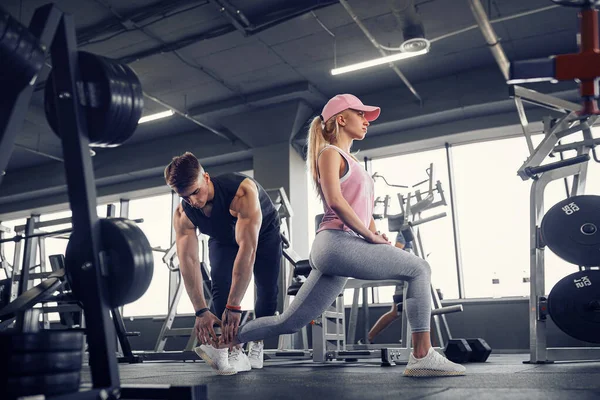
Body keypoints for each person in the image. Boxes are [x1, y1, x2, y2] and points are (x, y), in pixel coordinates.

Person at [203, 93, 466, 377]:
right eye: (360, 114)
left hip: (341, 247)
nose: (366, 121)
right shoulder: (329, 153)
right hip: (335, 243)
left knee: (288, 322)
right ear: (341, 119)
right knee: (419, 268)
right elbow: (336, 201)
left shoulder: (353, 162)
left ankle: (222, 342)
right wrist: (369, 234)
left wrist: (376, 234)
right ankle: (422, 355)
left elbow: (362, 211)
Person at [164, 154, 282, 375]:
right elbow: (188, 261)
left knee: (266, 289)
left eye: (196, 192)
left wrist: (235, 306)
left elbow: (248, 249)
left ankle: (257, 344)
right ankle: (233, 348)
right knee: (220, 286)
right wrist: (200, 311)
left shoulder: (241, 192)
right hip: (222, 238)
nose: (194, 202)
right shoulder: (183, 213)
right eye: (185, 196)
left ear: (206, 178)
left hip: (264, 234)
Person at [359, 231, 412, 345]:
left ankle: (368, 338)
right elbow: (397, 251)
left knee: (396, 312)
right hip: (406, 276)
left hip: (411, 275)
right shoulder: (405, 230)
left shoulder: (415, 230)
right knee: (401, 312)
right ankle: (368, 338)